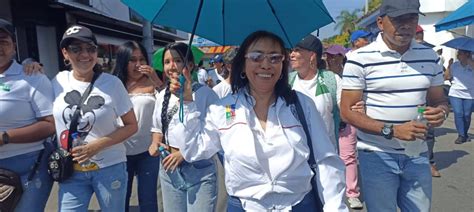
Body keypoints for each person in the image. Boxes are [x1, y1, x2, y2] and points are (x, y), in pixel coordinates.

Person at [166, 30, 347, 211]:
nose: (266, 65)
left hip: (299, 204)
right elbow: (193, 150)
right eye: (256, 57)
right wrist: (187, 102)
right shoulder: (223, 109)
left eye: (274, 58)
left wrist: (335, 207)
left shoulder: (301, 104)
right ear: (242, 64)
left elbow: (326, 161)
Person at [340, 0, 449, 211]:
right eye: (398, 19)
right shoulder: (358, 59)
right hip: (376, 154)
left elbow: (439, 101)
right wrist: (392, 130)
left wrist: (441, 112)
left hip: (417, 154)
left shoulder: (430, 56)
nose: (406, 25)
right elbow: (347, 111)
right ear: (381, 22)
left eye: (412, 18)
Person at [52, 25, 138, 211]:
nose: (85, 54)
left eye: (90, 48)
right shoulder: (56, 81)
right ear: (65, 53)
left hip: (109, 167)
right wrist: (29, 63)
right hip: (71, 171)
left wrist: (96, 146)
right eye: (76, 49)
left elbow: (131, 126)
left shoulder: (112, 84)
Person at [148, 42, 219, 212]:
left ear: (191, 65)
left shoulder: (207, 95)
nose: (172, 66)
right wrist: (155, 143)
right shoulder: (162, 95)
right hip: (168, 167)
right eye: (167, 62)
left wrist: (184, 154)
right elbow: (157, 128)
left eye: (178, 60)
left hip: (199, 168)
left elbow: (215, 135)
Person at [0, 18, 55, 212]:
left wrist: (6, 137)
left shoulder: (31, 77)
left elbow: (50, 124)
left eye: (3, 41)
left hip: (28, 165)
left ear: (14, 46)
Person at [112, 41, 163, 212]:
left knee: (148, 199)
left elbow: (170, 102)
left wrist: (156, 79)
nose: (138, 64)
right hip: (119, 152)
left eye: (142, 59)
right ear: (123, 60)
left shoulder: (153, 82)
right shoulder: (112, 83)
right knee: (120, 199)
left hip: (148, 151)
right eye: (132, 60)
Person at [289, 35, 342, 147]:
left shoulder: (332, 80)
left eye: (297, 51)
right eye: (291, 51)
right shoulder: (287, 82)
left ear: (312, 56)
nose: (291, 55)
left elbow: (346, 110)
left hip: (326, 157)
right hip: (297, 157)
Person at [446, 49, 473, 144]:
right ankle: (461, 135)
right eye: (458, 53)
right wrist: (449, 66)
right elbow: (447, 77)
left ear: (467, 54)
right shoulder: (455, 65)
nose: (458, 56)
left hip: (470, 94)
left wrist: (470, 62)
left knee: (466, 115)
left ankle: (464, 133)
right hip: (455, 93)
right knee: (458, 113)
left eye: (460, 54)